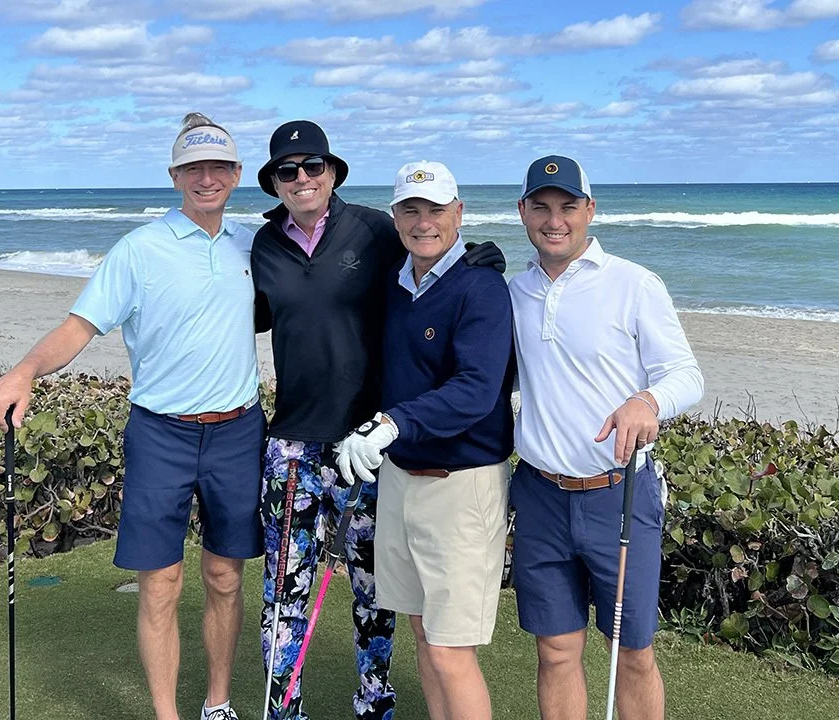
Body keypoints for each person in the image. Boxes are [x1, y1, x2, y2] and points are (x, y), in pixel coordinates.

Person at [0, 113, 262, 720]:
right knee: (161, 583)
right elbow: (78, 326)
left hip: (239, 429)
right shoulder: (138, 250)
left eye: (219, 166)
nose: (207, 178)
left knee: (224, 575)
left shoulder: (253, 243)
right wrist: (26, 370)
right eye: (194, 168)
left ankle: (218, 703)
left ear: (238, 174)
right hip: (162, 432)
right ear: (175, 176)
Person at [251, 123, 504, 720]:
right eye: (288, 171)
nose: (302, 178)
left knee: (376, 598)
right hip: (292, 445)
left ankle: (375, 706)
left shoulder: (375, 229)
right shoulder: (260, 245)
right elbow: (233, 308)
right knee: (283, 596)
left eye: (313, 166)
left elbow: (433, 255)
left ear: (333, 172)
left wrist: (480, 257)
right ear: (276, 183)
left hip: (368, 448)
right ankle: (284, 712)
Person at [507, 154, 704, 720]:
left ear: (590, 209)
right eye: (541, 207)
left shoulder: (635, 284)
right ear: (523, 212)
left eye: (568, 206)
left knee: (633, 651)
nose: (555, 220)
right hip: (540, 493)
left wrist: (647, 400)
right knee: (555, 650)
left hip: (619, 494)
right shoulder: (513, 293)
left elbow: (685, 375)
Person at [336, 161, 515, 720]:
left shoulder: (482, 287)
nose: (424, 222)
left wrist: (390, 425)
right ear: (395, 218)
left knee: (448, 648)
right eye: (411, 210)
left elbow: (476, 390)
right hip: (400, 483)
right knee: (421, 633)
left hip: (460, 488)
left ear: (458, 213)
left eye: (436, 210)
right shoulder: (395, 282)